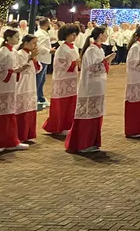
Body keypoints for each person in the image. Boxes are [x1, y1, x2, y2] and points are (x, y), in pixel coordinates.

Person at [65, 26, 113, 154]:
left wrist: (105, 62)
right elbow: (92, 68)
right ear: (100, 35)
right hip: (91, 86)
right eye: (105, 33)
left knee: (95, 114)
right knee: (88, 114)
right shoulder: (92, 50)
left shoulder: (98, 49)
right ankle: (83, 143)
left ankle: (91, 142)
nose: (107, 36)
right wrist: (106, 61)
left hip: (98, 85)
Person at [0, 29, 28, 152]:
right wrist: (13, 71)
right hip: (1, 87)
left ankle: (11, 140)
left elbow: (13, 67)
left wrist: (20, 69)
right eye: (16, 37)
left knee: (10, 113)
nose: (18, 39)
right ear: (8, 38)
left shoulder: (13, 52)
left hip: (11, 86)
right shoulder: (2, 52)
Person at [43, 24, 80, 136]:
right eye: (71, 35)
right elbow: (60, 65)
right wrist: (74, 64)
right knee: (61, 105)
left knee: (71, 103)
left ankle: (68, 125)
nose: (74, 37)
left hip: (72, 78)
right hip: (62, 79)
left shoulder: (74, 47)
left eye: (75, 35)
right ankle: (58, 126)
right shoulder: (61, 49)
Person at [15, 34, 40, 145]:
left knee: (29, 108)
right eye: (33, 43)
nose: (35, 45)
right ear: (26, 43)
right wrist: (30, 58)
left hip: (31, 84)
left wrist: (33, 59)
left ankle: (27, 134)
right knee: (21, 108)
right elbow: (20, 69)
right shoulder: (19, 54)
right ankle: (19, 135)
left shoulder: (30, 54)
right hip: (22, 85)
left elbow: (37, 69)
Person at [34, 17, 52, 110]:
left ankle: (40, 97)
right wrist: (49, 50)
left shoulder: (43, 33)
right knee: (38, 80)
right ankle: (36, 98)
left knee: (42, 80)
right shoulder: (40, 34)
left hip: (44, 59)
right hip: (41, 59)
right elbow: (40, 47)